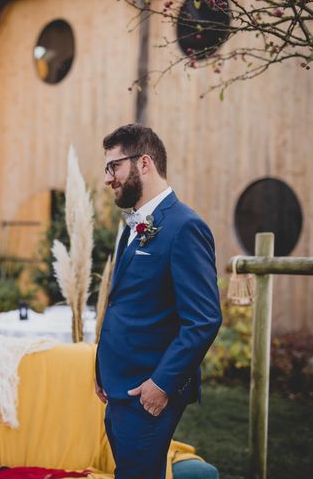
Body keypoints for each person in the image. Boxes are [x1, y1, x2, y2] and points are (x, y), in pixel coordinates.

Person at [95, 124, 222, 479]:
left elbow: (204, 319)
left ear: (144, 163)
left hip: (148, 393)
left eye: (113, 166)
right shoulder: (135, 226)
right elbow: (124, 303)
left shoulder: (185, 227)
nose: (108, 178)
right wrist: (102, 368)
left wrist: (162, 385)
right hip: (120, 388)